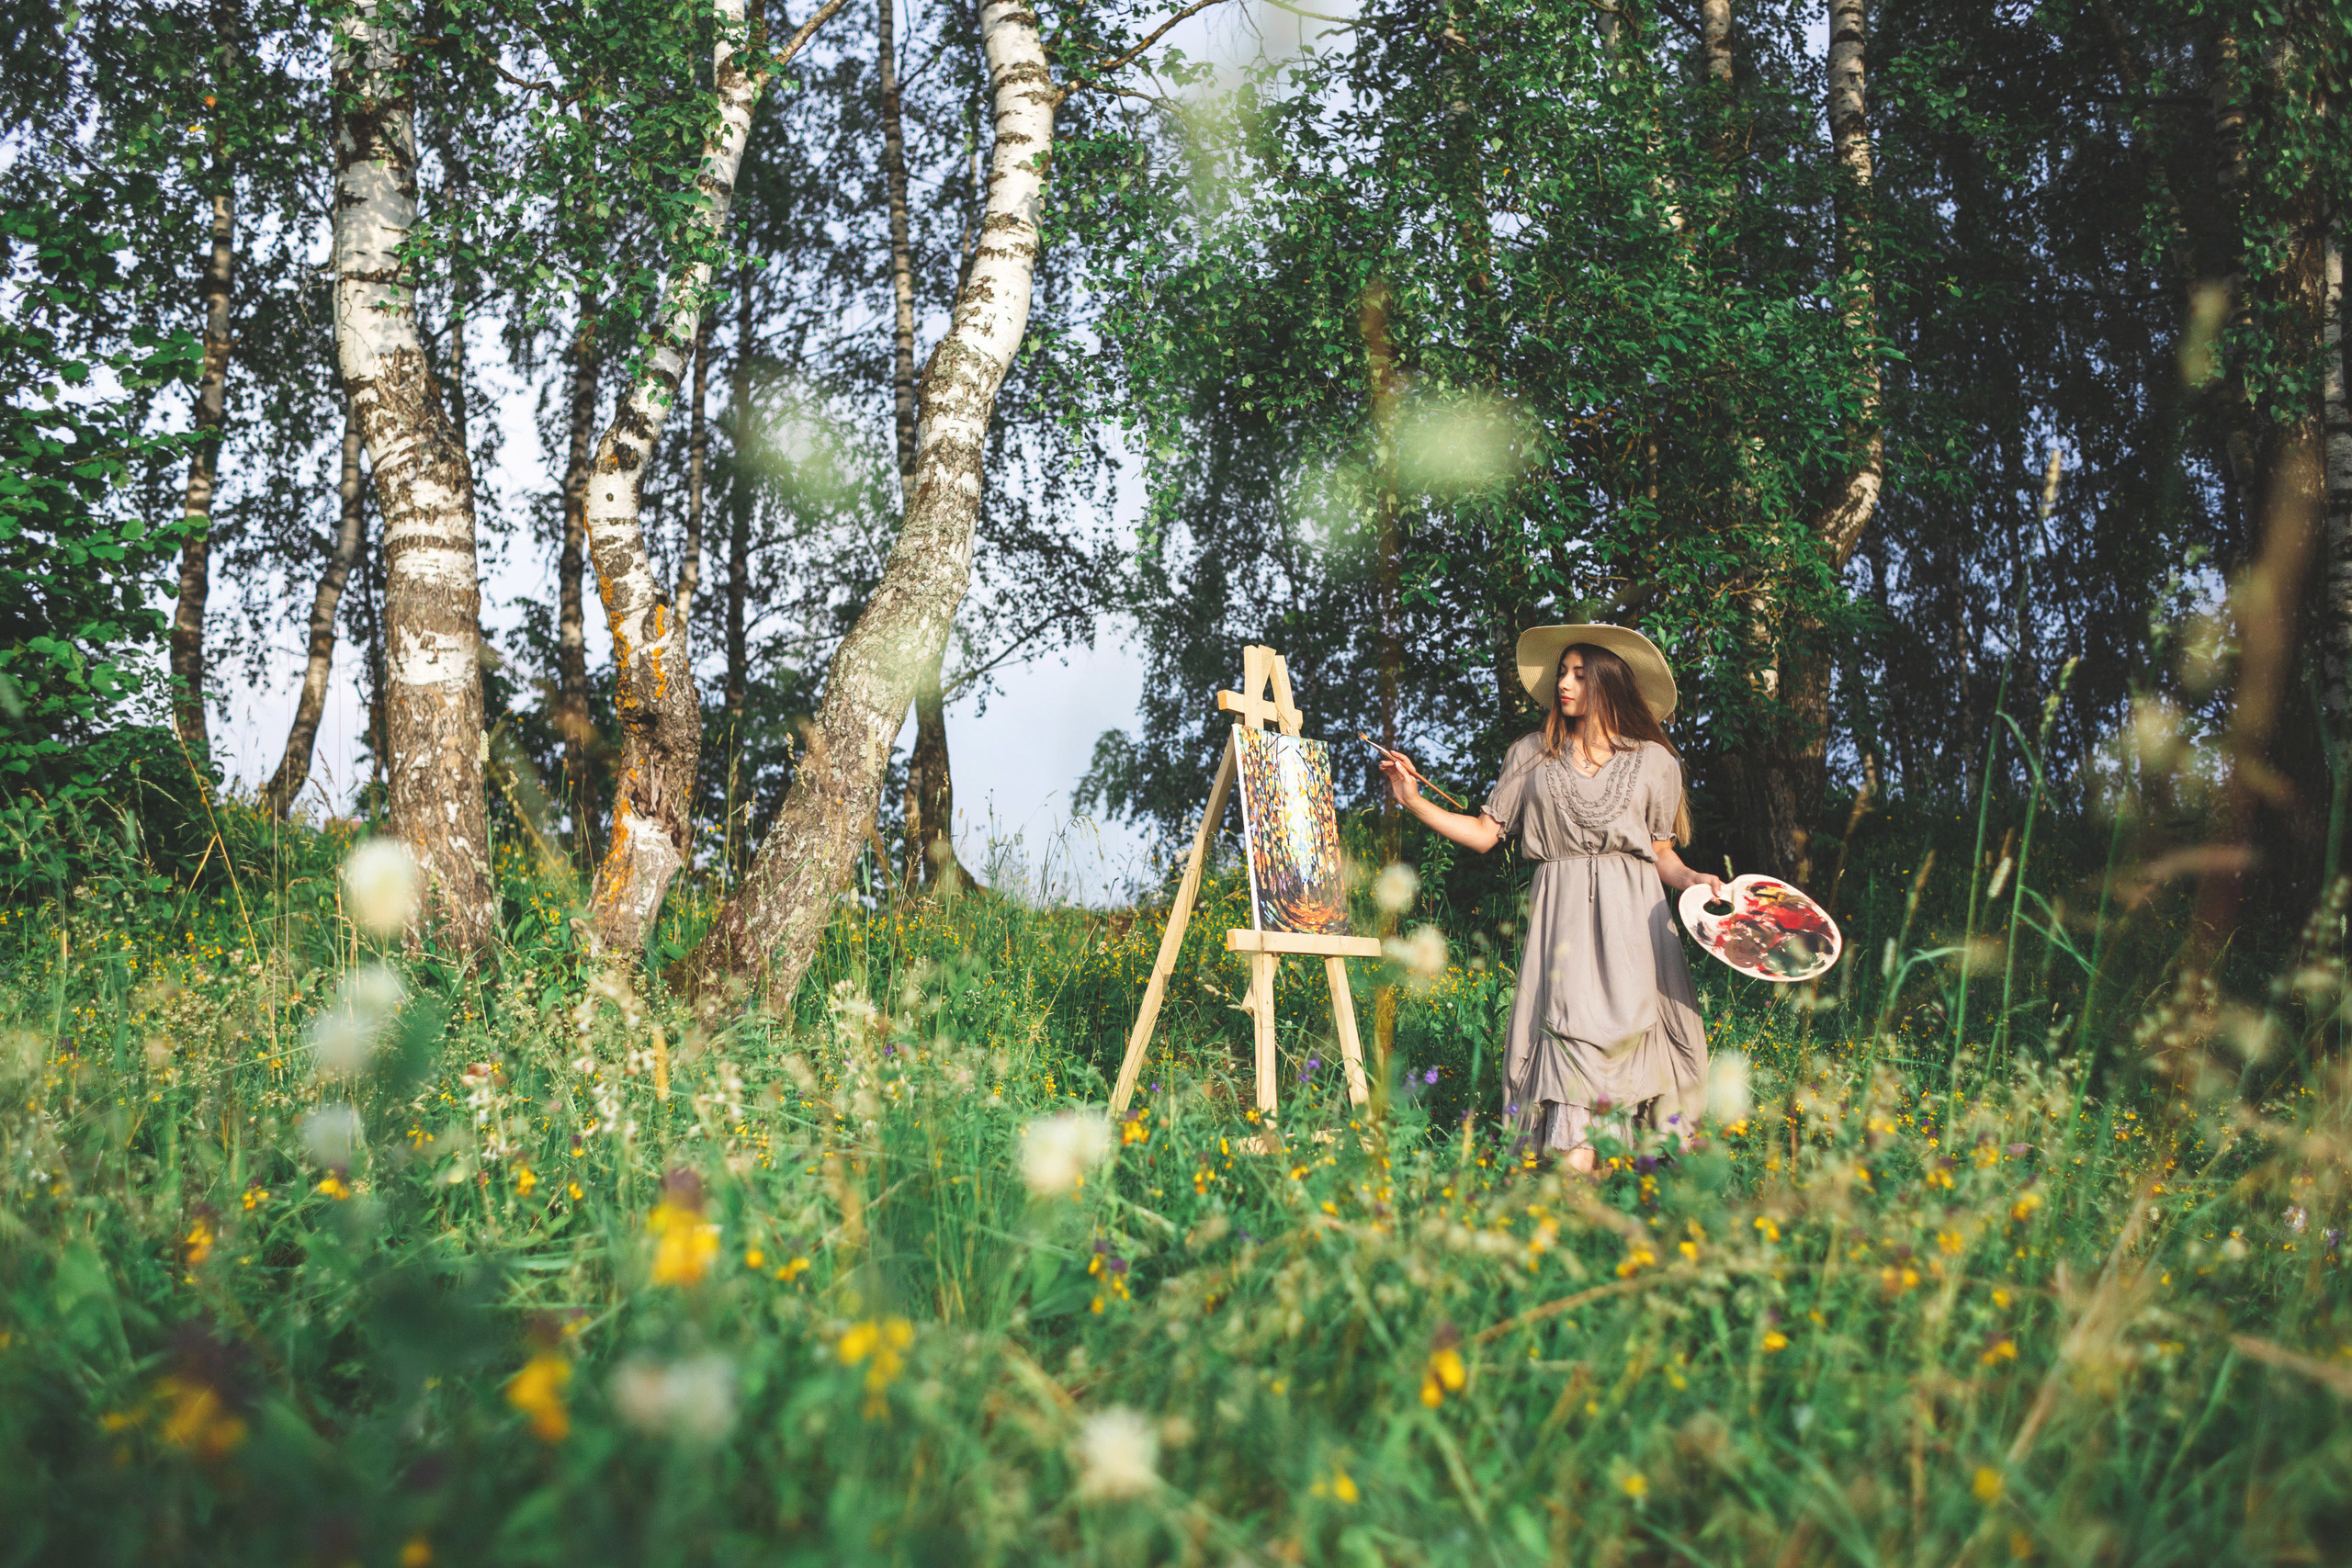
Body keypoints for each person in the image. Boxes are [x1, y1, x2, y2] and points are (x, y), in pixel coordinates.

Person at [1376, 625, 1723, 1172]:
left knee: (1636, 1039)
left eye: (1579, 675)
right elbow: (1485, 834)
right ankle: (1575, 1177)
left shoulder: (1655, 761)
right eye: (1562, 672)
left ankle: (1630, 1180)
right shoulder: (1531, 754)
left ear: (1609, 682)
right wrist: (1413, 800)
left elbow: (1661, 852)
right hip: (1562, 926)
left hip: (1635, 927)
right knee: (1569, 1034)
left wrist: (1694, 879)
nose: (1563, 684)